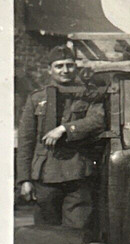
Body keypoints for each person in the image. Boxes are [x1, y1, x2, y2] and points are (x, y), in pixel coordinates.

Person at [16, 45, 105, 231]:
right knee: (46, 233)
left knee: (77, 231)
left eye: (69, 65)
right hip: (45, 175)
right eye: (59, 66)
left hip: (78, 173)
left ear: (76, 67)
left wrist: (65, 129)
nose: (65, 70)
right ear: (49, 69)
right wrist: (24, 179)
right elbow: (26, 141)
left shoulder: (89, 95)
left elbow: (97, 120)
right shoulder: (37, 99)